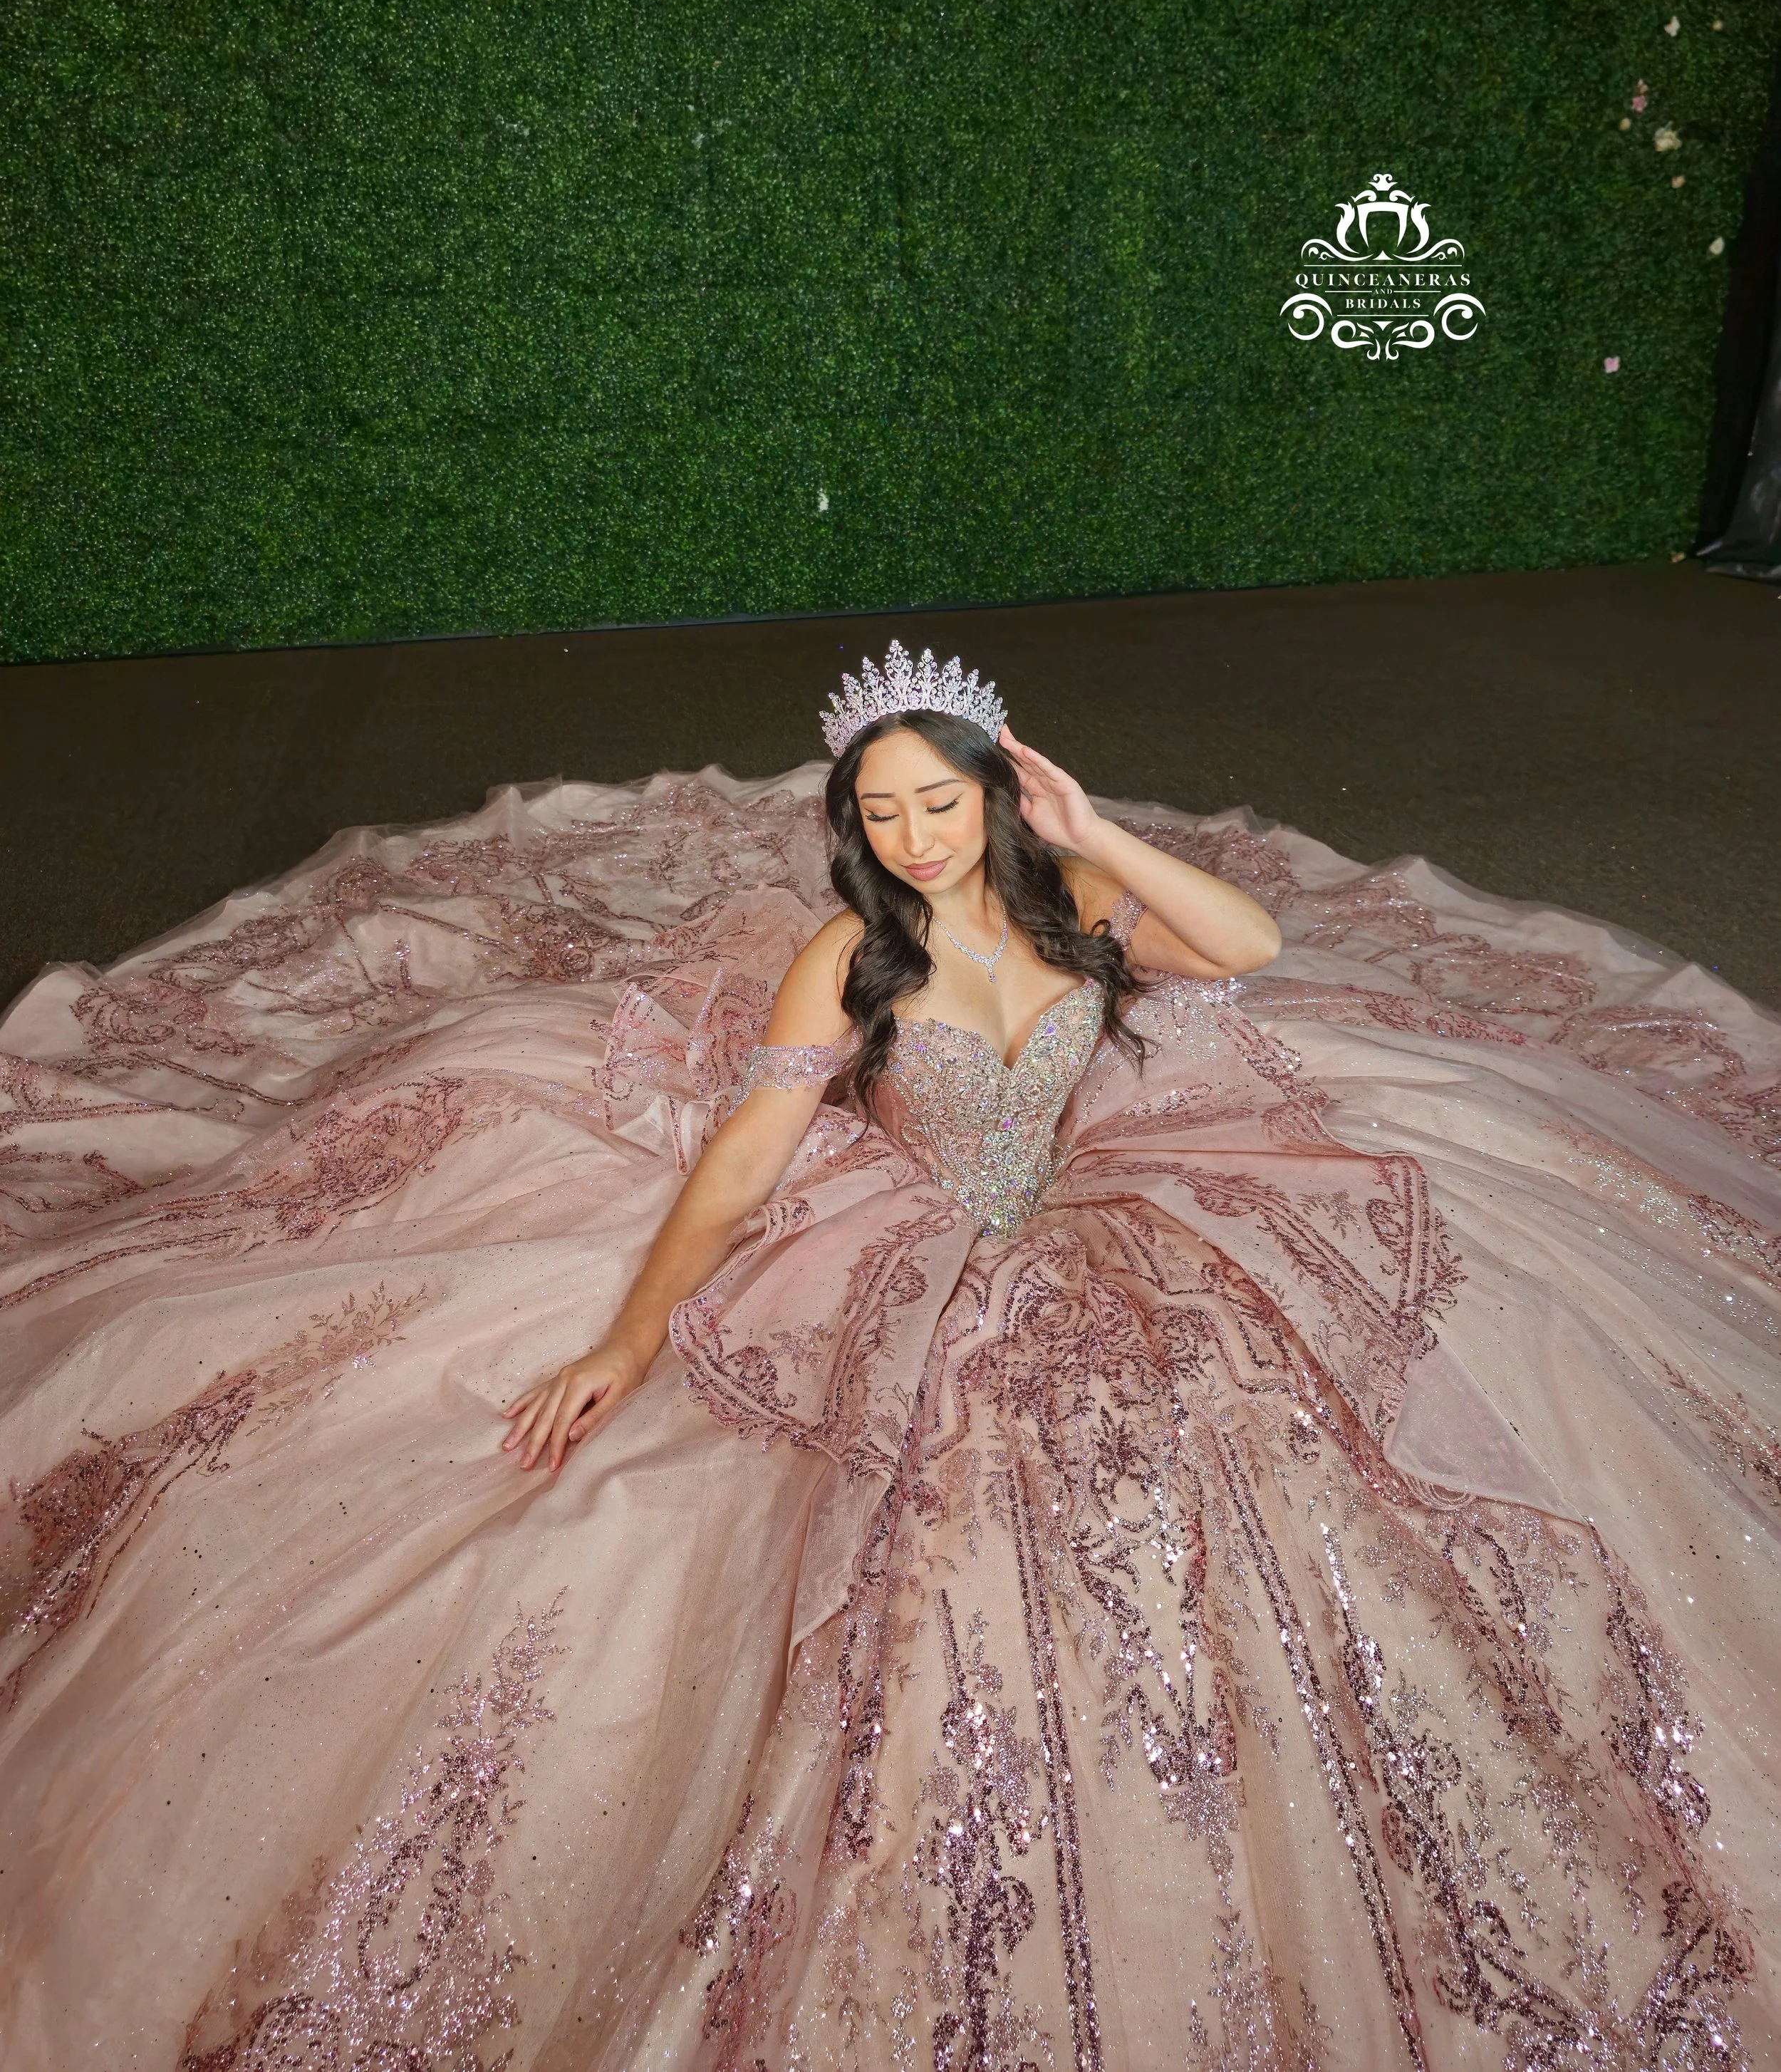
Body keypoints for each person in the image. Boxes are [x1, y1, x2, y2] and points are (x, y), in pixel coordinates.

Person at [1, 642, 1777, 2071]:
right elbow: (745, 1165)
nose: (919, 832)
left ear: (995, 787)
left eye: (945, 797)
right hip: (911, 1246)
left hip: (1102, 1206)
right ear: (847, 822)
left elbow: (1250, 946)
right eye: (883, 807)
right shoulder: (847, 954)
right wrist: (630, 1335)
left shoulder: (1078, 903)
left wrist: (1088, 824)